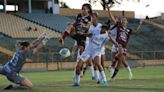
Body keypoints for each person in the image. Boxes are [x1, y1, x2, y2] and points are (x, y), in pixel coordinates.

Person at [73, 13, 118, 86]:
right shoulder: (97, 29)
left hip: (97, 51)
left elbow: (112, 40)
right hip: (88, 49)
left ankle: (104, 81)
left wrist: (117, 44)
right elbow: (90, 34)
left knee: (98, 64)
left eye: (104, 28)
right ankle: (77, 82)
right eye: (102, 27)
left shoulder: (106, 35)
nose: (102, 29)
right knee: (78, 65)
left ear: (106, 29)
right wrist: (82, 34)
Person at [59, 4, 95, 81]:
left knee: (82, 56)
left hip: (83, 36)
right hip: (76, 33)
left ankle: (81, 73)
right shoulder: (79, 15)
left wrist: (83, 26)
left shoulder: (90, 17)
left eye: (85, 9)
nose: (83, 10)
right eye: (82, 9)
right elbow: (75, 23)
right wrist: (72, 24)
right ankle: (63, 38)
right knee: (70, 26)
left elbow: (88, 28)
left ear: (88, 10)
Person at [107, 4, 143, 81]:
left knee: (121, 60)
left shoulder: (129, 30)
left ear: (127, 22)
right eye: (122, 20)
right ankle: (112, 77)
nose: (123, 21)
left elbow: (137, 32)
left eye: (125, 20)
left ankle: (115, 69)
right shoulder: (118, 25)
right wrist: (108, 9)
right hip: (117, 45)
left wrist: (140, 24)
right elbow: (112, 18)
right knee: (119, 61)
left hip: (123, 47)